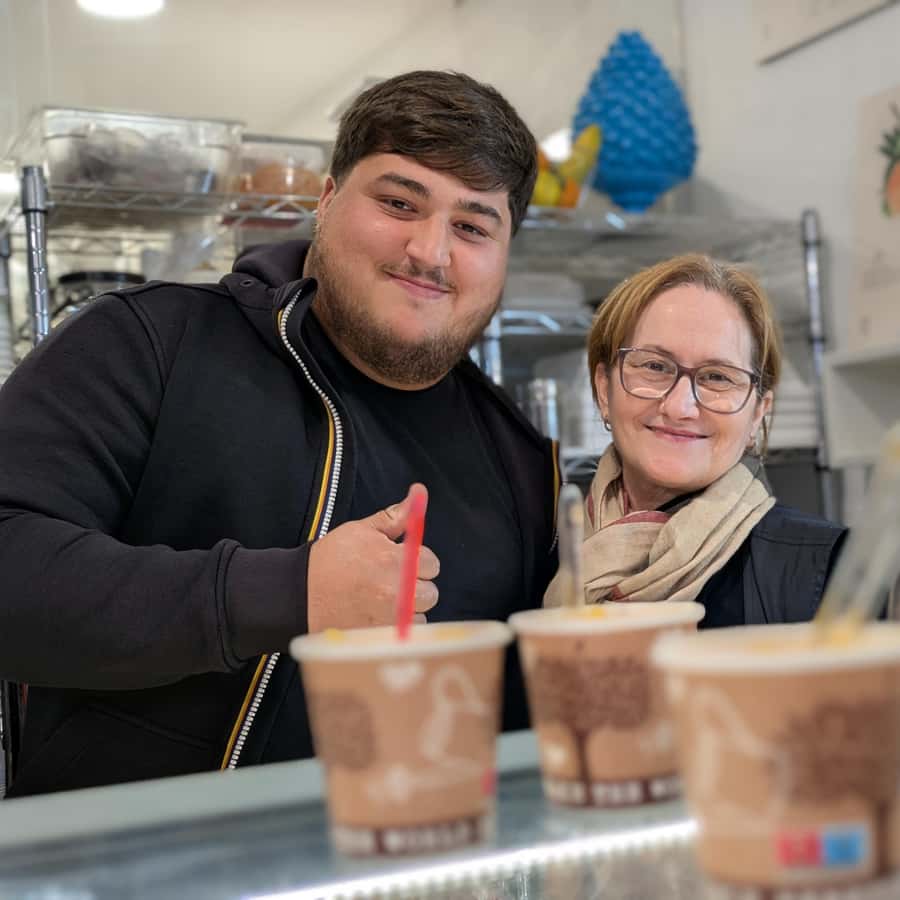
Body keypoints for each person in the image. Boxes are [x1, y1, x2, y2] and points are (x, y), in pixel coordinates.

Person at [0, 71, 559, 797]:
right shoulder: (148, 344)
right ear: (325, 202)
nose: (430, 251)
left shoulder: (521, 461)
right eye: (399, 202)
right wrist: (285, 594)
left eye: (473, 227)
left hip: (403, 851)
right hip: (128, 854)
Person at [545, 253, 845, 626]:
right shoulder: (541, 554)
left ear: (757, 413)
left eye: (717, 376)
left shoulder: (824, 575)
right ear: (604, 389)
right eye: (654, 366)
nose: (679, 407)